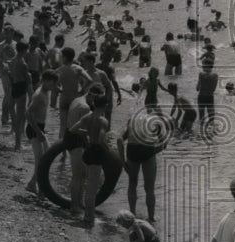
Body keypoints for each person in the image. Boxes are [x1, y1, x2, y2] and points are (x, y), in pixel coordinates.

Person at [68, 90, 110, 229]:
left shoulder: (87, 116)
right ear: (105, 106)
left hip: (87, 151)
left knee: (89, 183)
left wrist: (87, 134)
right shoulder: (103, 120)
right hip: (96, 152)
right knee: (92, 188)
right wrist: (108, 149)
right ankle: (89, 217)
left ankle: (86, 213)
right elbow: (100, 139)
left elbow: (73, 130)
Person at [117, 114, 166, 223]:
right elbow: (164, 143)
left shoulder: (131, 120)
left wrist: (122, 161)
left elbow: (119, 140)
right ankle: (151, 218)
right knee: (149, 188)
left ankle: (132, 214)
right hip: (147, 149)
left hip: (132, 151)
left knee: (132, 183)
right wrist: (153, 151)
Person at [25, 70, 57, 194]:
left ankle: (32, 183)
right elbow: (28, 113)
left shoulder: (45, 91)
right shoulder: (39, 95)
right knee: (40, 159)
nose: (54, 87)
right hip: (34, 129)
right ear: (47, 81)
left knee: (45, 157)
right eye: (53, 84)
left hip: (40, 127)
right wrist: (38, 131)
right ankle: (38, 186)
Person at [196, 59, 219, 127]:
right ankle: (211, 132)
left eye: (203, 65)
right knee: (211, 118)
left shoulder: (201, 74)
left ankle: (201, 131)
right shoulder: (215, 75)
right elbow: (213, 89)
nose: (202, 67)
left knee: (201, 118)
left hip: (201, 97)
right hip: (209, 97)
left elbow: (197, 88)